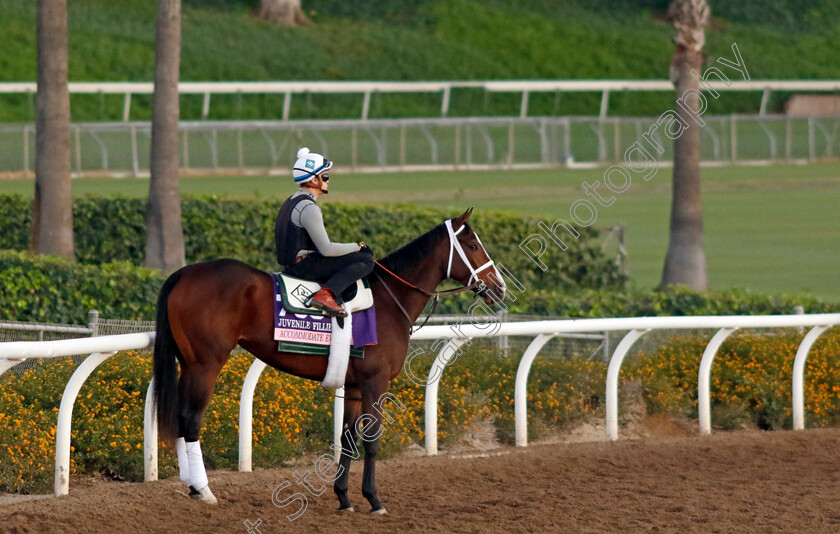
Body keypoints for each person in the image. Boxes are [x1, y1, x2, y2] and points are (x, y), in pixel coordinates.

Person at [274, 147, 374, 318]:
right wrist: (358, 246)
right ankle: (325, 294)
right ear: (313, 180)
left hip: (293, 264)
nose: (328, 180)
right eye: (325, 176)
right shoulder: (309, 208)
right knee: (366, 260)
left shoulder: (291, 200)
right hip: (304, 267)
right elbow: (327, 249)